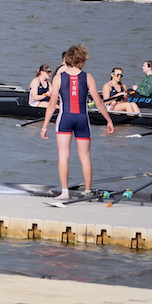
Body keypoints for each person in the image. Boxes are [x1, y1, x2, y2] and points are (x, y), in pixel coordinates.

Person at [40, 44, 114, 200]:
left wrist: (44, 126)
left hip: (65, 118)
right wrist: (109, 121)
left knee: (63, 155)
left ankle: (65, 192)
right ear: (81, 60)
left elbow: (52, 104)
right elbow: (99, 102)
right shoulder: (88, 77)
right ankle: (87, 191)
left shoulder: (59, 77)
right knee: (85, 156)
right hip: (82, 119)